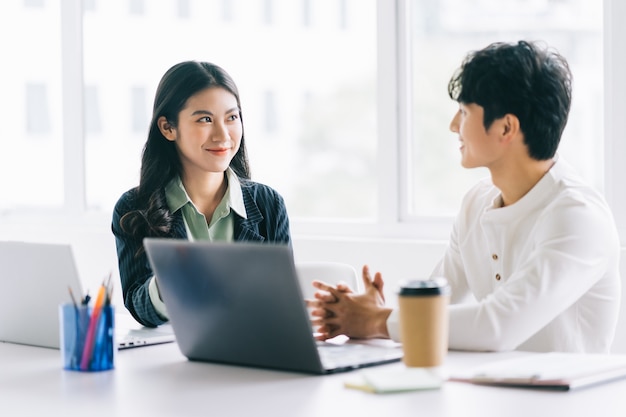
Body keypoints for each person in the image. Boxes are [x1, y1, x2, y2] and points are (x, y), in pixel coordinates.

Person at [308, 40, 621, 353]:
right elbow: (437, 304)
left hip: (568, 399)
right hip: (491, 390)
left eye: (464, 112)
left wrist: (379, 321)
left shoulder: (578, 215)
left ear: (506, 128)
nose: (453, 125)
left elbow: (497, 326)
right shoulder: (476, 203)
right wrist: (381, 313)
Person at [112, 61, 291, 327]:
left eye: (232, 117)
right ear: (168, 128)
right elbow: (138, 307)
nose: (222, 135)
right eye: (205, 119)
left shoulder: (268, 204)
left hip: (253, 355)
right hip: (173, 359)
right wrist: (169, 280)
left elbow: (281, 303)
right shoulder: (133, 207)